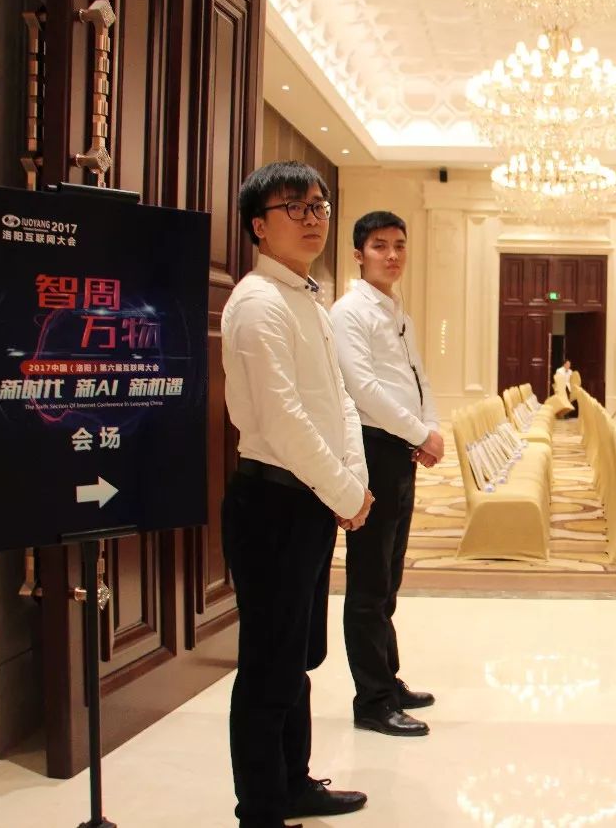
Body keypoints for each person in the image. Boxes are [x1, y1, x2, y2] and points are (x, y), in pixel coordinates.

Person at [221, 161, 373, 828]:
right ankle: (260, 808)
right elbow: (282, 418)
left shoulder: (307, 298)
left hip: (309, 498)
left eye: (319, 206)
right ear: (259, 225)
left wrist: (352, 483)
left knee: (297, 657)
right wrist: (343, 490)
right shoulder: (258, 302)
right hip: (272, 503)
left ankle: (294, 782)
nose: (313, 218)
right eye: (295, 207)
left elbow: (340, 399)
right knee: (268, 664)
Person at [331, 211, 441, 737]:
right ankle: (372, 701)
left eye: (399, 245)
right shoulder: (349, 312)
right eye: (380, 246)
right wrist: (419, 433)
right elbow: (363, 388)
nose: (392, 255)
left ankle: (388, 681)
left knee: (390, 576)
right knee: (369, 582)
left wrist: (430, 426)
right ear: (359, 254)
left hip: (400, 449)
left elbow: (417, 378)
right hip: (374, 449)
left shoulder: (398, 311)